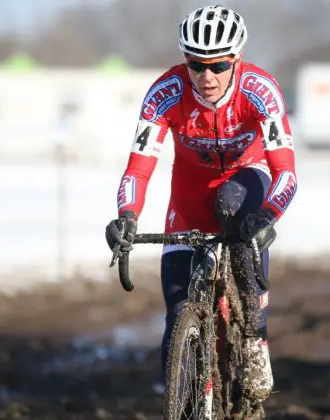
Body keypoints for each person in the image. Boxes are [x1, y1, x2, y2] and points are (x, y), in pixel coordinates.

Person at [104, 4, 297, 401]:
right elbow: (138, 169)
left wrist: (268, 215)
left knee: (232, 204)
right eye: (196, 64)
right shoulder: (165, 93)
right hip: (189, 194)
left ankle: (255, 336)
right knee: (177, 315)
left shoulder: (260, 91)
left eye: (219, 66)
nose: (207, 77)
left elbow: (287, 173)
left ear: (236, 59)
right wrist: (126, 215)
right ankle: (188, 401)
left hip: (249, 180)